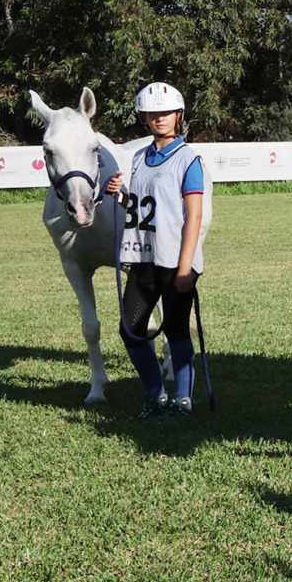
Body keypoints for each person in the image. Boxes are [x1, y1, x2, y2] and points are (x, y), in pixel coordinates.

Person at [104, 82, 206, 421]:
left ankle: (182, 400)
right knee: (130, 330)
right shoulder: (137, 157)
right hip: (142, 258)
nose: (159, 118)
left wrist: (185, 267)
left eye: (165, 112)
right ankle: (155, 397)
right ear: (144, 117)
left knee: (176, 329)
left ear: (178, 116)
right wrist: (120, 193)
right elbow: (142, 205)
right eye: (152, 113)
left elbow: (194, 215)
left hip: (174, 260)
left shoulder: (189, 159)